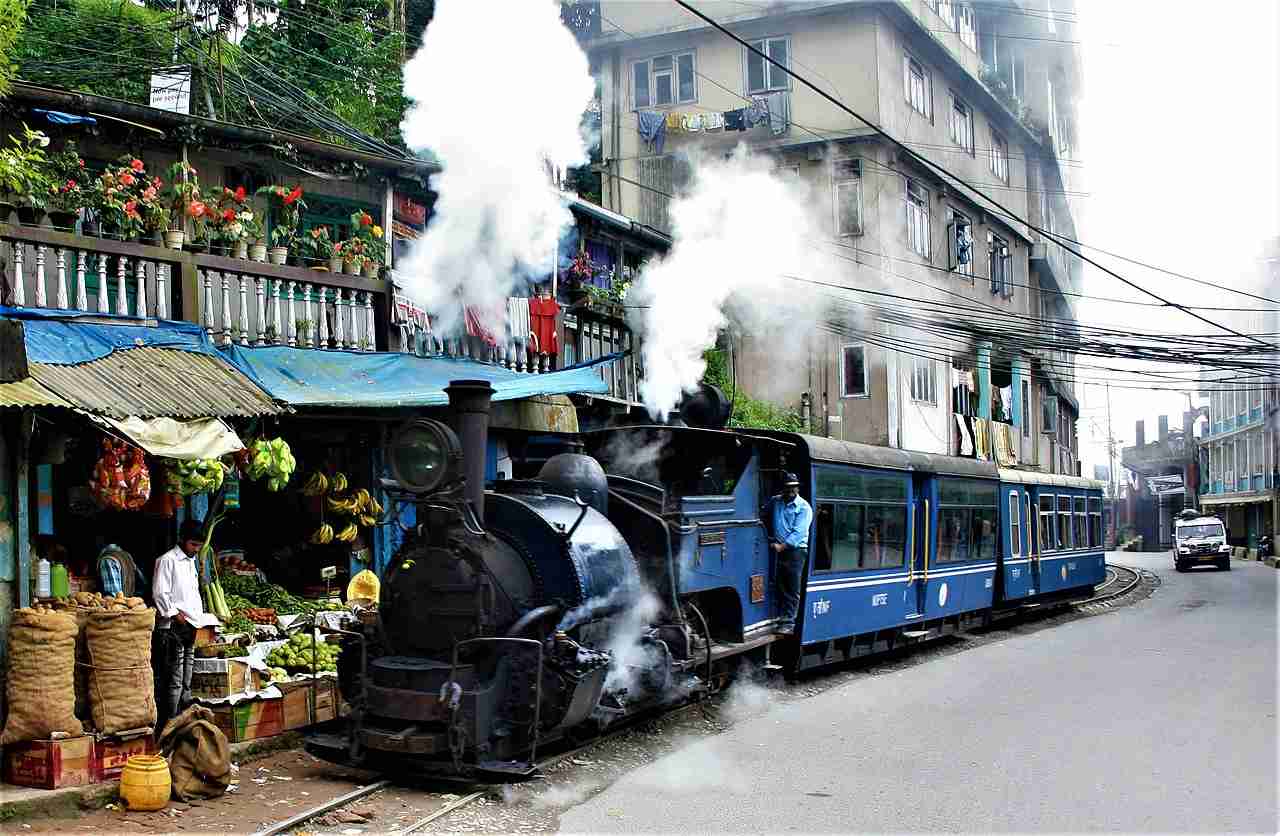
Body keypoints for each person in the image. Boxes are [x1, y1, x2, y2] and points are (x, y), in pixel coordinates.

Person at [153, 518, 207, 732]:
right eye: (193, 544)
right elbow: (160, 593)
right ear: (182, 540)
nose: (196, 549)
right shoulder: (168, 560)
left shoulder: (191, 561)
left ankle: (185, 719)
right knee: (175, 679)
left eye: (199, 545)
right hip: (174, 627)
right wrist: (176, 615)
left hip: (191, 625)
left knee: (187, 678)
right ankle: (171, 724)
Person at [768, 472, 813, 635]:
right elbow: (764, 513)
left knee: (791, 587)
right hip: (778, 548)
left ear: (798, 488)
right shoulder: (775, 501)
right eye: (788, 487)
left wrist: (782, 546)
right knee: (779, 584)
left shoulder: (804, 507)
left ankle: (788, 622)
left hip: (795, 551)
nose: (791, 490)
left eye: (794, 487)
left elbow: (799, 532)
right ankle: (778, 618)